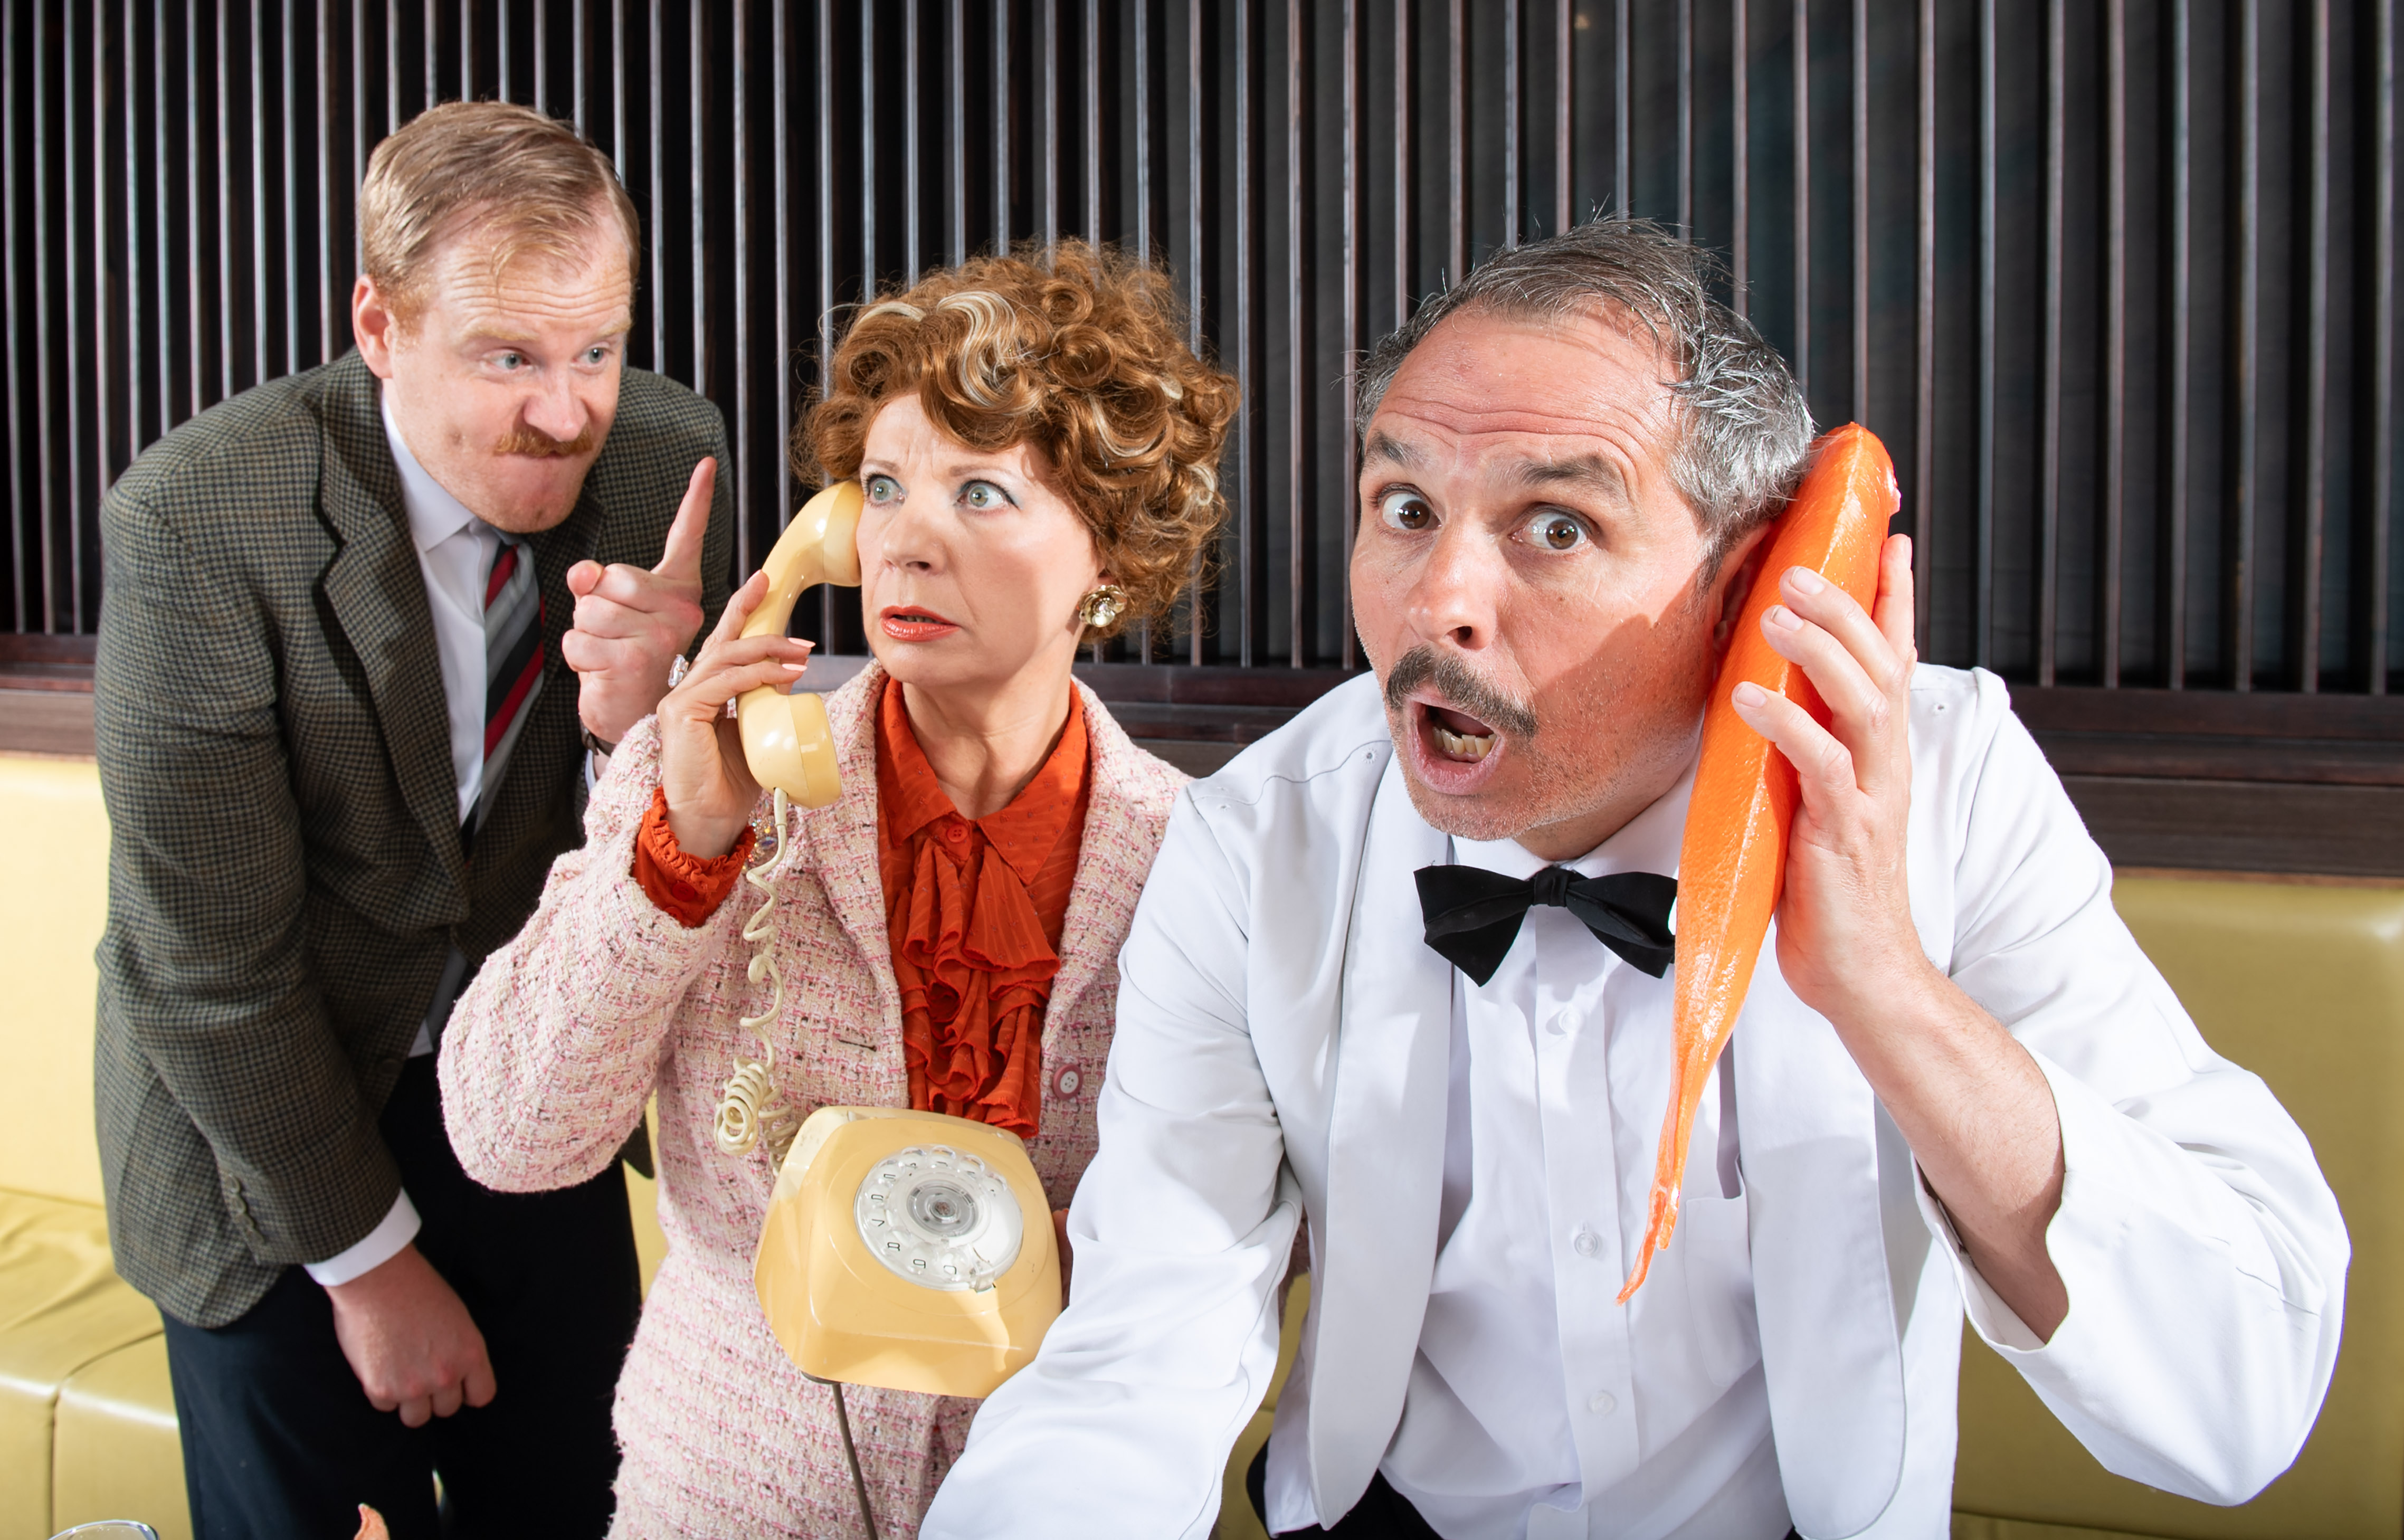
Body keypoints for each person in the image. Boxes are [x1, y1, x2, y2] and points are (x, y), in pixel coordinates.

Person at [923, 220, 2350, 1539]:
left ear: (1753, 584)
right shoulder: (1256, 841)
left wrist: (1887, 987)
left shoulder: (1947, 785)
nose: (1437, 604)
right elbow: (1144, 1347)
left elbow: (2240, 1395)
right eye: (1404, 504)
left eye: (1556, 524)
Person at [437, 241, 1239, 1538]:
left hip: (1059, 1501)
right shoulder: (713, 781)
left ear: (1110, 551)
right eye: (882, 488)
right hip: (729, 1500)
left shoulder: (1198, 861)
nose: (905, 544)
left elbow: (1242, 1236)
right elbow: (509, 1137)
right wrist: (683, 848)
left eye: (981, 493)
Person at [93, 102, 734, 1539]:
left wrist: (637, 728)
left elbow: (640, 865)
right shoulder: (200, 517)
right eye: (508, 357)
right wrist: (372, 1267)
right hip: (263, 1130)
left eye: (595, 350)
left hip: (528, 1087)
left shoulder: (665, 460)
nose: (566, 413)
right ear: (379, 327)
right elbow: (206, 968)